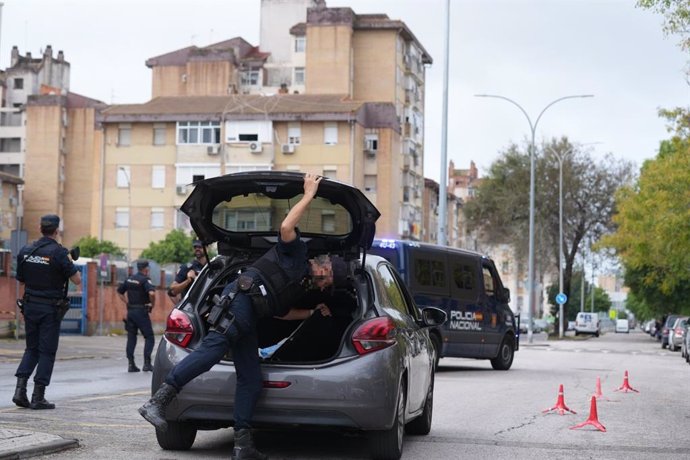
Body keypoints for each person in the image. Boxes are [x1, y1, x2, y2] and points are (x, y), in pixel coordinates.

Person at [138, 173, 346, 460]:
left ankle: (242, 445)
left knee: (250, 380)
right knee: (212, 350)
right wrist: (309, 194)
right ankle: (158, 402)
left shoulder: (297, 283)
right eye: (329, 282)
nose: (324, 288)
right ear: (326, 269)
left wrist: (311, 312)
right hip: (239, 303)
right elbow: (286, 225)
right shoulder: (297, 252)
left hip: (249, 316)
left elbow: (283, 313)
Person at [12, 214, 82, 410]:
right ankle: (38, 396)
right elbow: (76, 280)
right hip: (49, 308)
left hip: (30, 305)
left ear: (40, 228)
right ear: (57, 230)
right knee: (47, 352)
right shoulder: (59, 253)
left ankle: (19, 390)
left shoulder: (26, 250)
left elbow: (21, 279)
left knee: (31, 349)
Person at [118, 260, 157, 372]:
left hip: (130, 312)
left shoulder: (129, 279)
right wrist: (152, 304)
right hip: (141, 312)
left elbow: (120, 292)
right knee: (149, 337)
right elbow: (152, 293)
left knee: (131, 337)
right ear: (146, 269)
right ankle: (147, 363)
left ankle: (131, 364)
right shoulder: (145, 280)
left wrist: (127, 303)